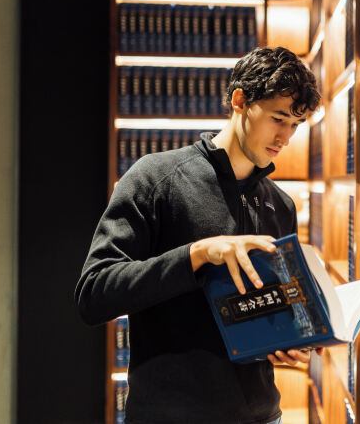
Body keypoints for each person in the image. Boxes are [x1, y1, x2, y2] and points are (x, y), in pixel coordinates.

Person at [75, 46, 322, 424]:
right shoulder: (155, 178)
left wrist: (291, 342)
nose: (285, 137)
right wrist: (197, 255)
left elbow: (269, 311)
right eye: (278, 118)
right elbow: (94, 294)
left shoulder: (281, 206)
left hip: (261, 416)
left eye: (295, 124)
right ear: (240, 100)